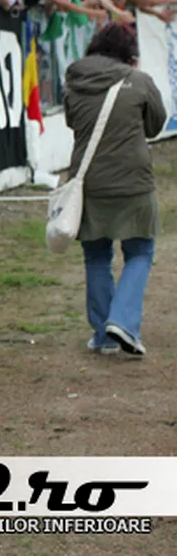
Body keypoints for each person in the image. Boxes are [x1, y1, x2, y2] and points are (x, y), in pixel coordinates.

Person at [62, 21, 166, 356]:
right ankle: (122, 321)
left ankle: (104, 335)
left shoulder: (74, 81)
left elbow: (71, 122)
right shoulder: (139, 82)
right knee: (139, 252)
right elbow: (155, 124)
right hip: (133, 180)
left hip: (88, 181)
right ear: (129, 53)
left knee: (95, 255)